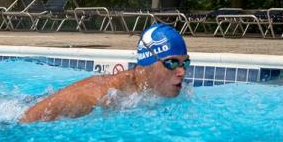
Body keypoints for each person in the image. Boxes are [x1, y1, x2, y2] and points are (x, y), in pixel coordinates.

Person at [19, 23, 190, 122]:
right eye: (172, 63)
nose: (182, 72)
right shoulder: (97, 96)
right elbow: (26, 121)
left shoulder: (163, 91)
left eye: (185, 63)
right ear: (147, 63)